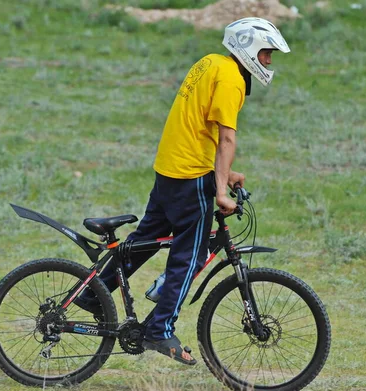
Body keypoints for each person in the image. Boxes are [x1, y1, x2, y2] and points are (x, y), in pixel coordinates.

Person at [76, 17, 290, 365]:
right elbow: (226, 137)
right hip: (189, 176)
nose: (268, 61)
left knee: (143, 242)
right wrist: (220, 192)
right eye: (266, 53)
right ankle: (159, 330)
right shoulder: (232, 79)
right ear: (249, 49)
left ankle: (89, 297)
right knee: (187, 257)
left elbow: (197, 127)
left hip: (171, 169)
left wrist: (224, 174)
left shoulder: (209, 62)